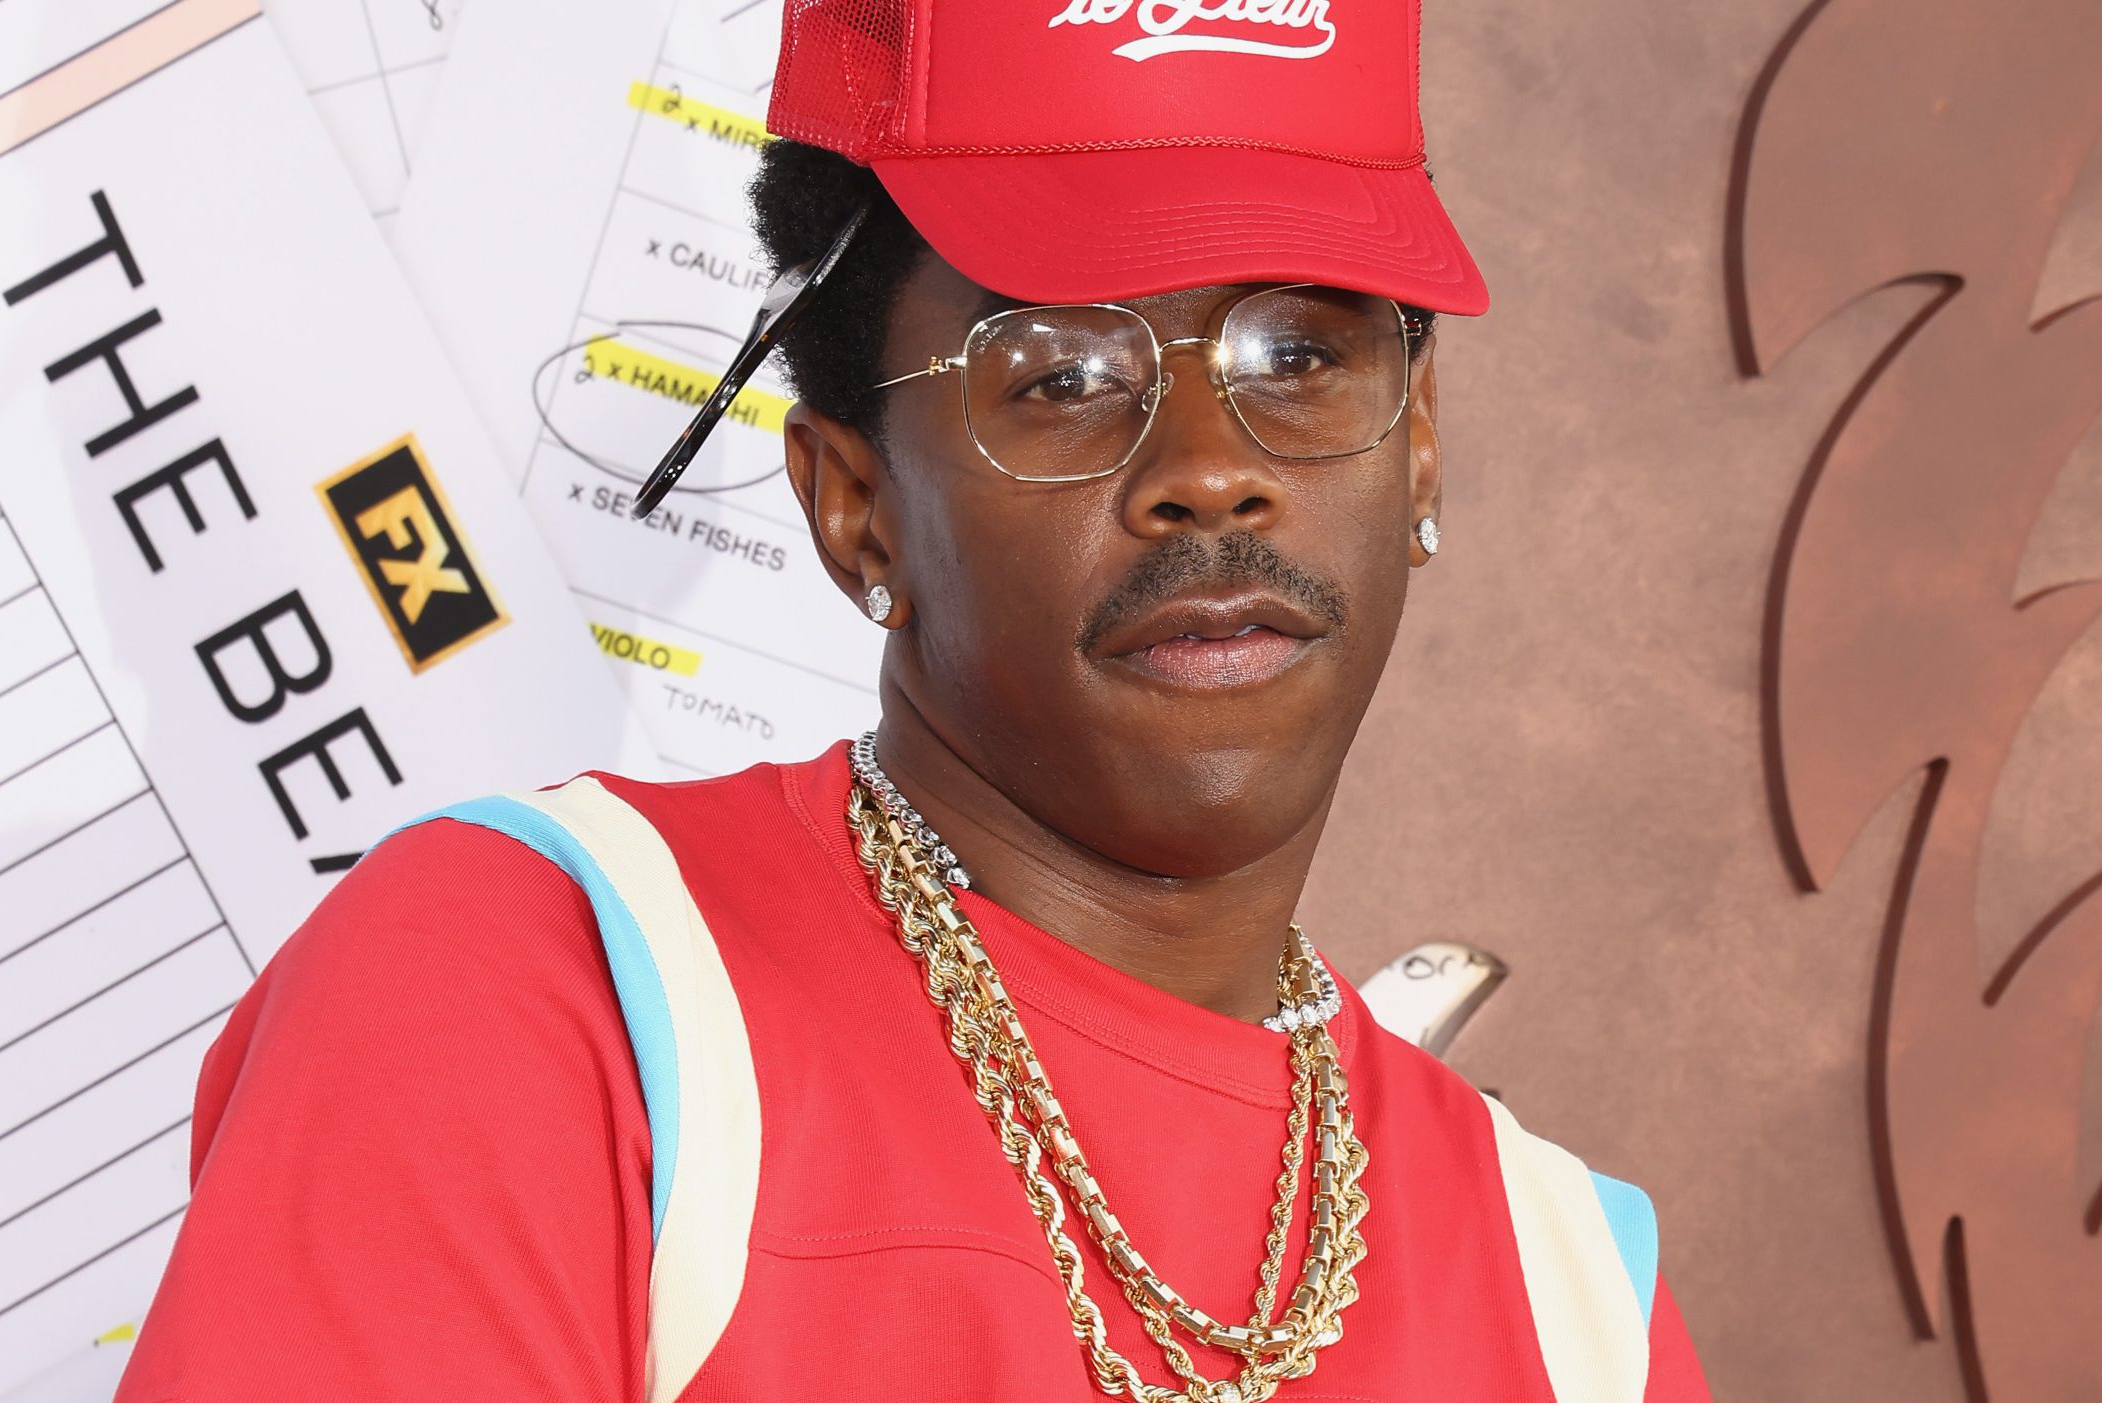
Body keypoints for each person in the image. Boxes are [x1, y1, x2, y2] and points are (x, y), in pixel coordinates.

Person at [117, 2, 1712, 1399]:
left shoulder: (1572, 1293)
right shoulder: (535, 1001)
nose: (1212, 470)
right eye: (1062, 376)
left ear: (1419, 439)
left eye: (1300, 351)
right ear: (854, 506)